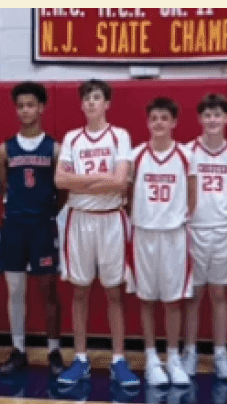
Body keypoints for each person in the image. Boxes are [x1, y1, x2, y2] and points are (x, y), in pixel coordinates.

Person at [54, 79, 140, 387]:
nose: (91, 103)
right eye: (87, 99)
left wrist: (83, 179)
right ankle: (80, 358)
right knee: (79, 290)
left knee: (114, 292)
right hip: (80, 218)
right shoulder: (72, 138)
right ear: (81, 105)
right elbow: (60, 181)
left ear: (107, 104)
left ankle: (118, 359)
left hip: (111, 219)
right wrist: (100, 178)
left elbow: (120, 183)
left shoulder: (120, 135)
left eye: (97, 98)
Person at [0, 81, 66, 375]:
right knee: (15, 290)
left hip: (42, 227)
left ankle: (54, 351)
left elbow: (62, 192)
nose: (25, 110)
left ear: (41, 108)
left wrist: (48, 213)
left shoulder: (55, 148)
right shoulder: (4, 150)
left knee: (49, 289)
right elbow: (3, 187)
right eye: (21, 105)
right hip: (14, 227)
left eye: (31, 105)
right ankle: (18, 349)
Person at [128, 97, 197, 386]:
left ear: (173, 123)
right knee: (146, 298)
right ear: (147, 122)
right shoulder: (135, 156)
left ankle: (173, 357)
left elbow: (193, 195)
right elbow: (129, 194)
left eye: (164, 118)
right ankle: (151, 358)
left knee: (172, 301)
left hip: (173, 235)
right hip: (144, 233)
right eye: (154, 117)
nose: (158, 122)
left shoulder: (185, 155)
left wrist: (179, 217)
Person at [183, 93, 227, 380]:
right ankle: (190, 352)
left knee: (219, 294)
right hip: (194, 229)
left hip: (223, 229)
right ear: (200, 119)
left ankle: (220, 354)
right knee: (193, 296)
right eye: (207, 115)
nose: (212, 120)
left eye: (218, 115)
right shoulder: (187, 151)